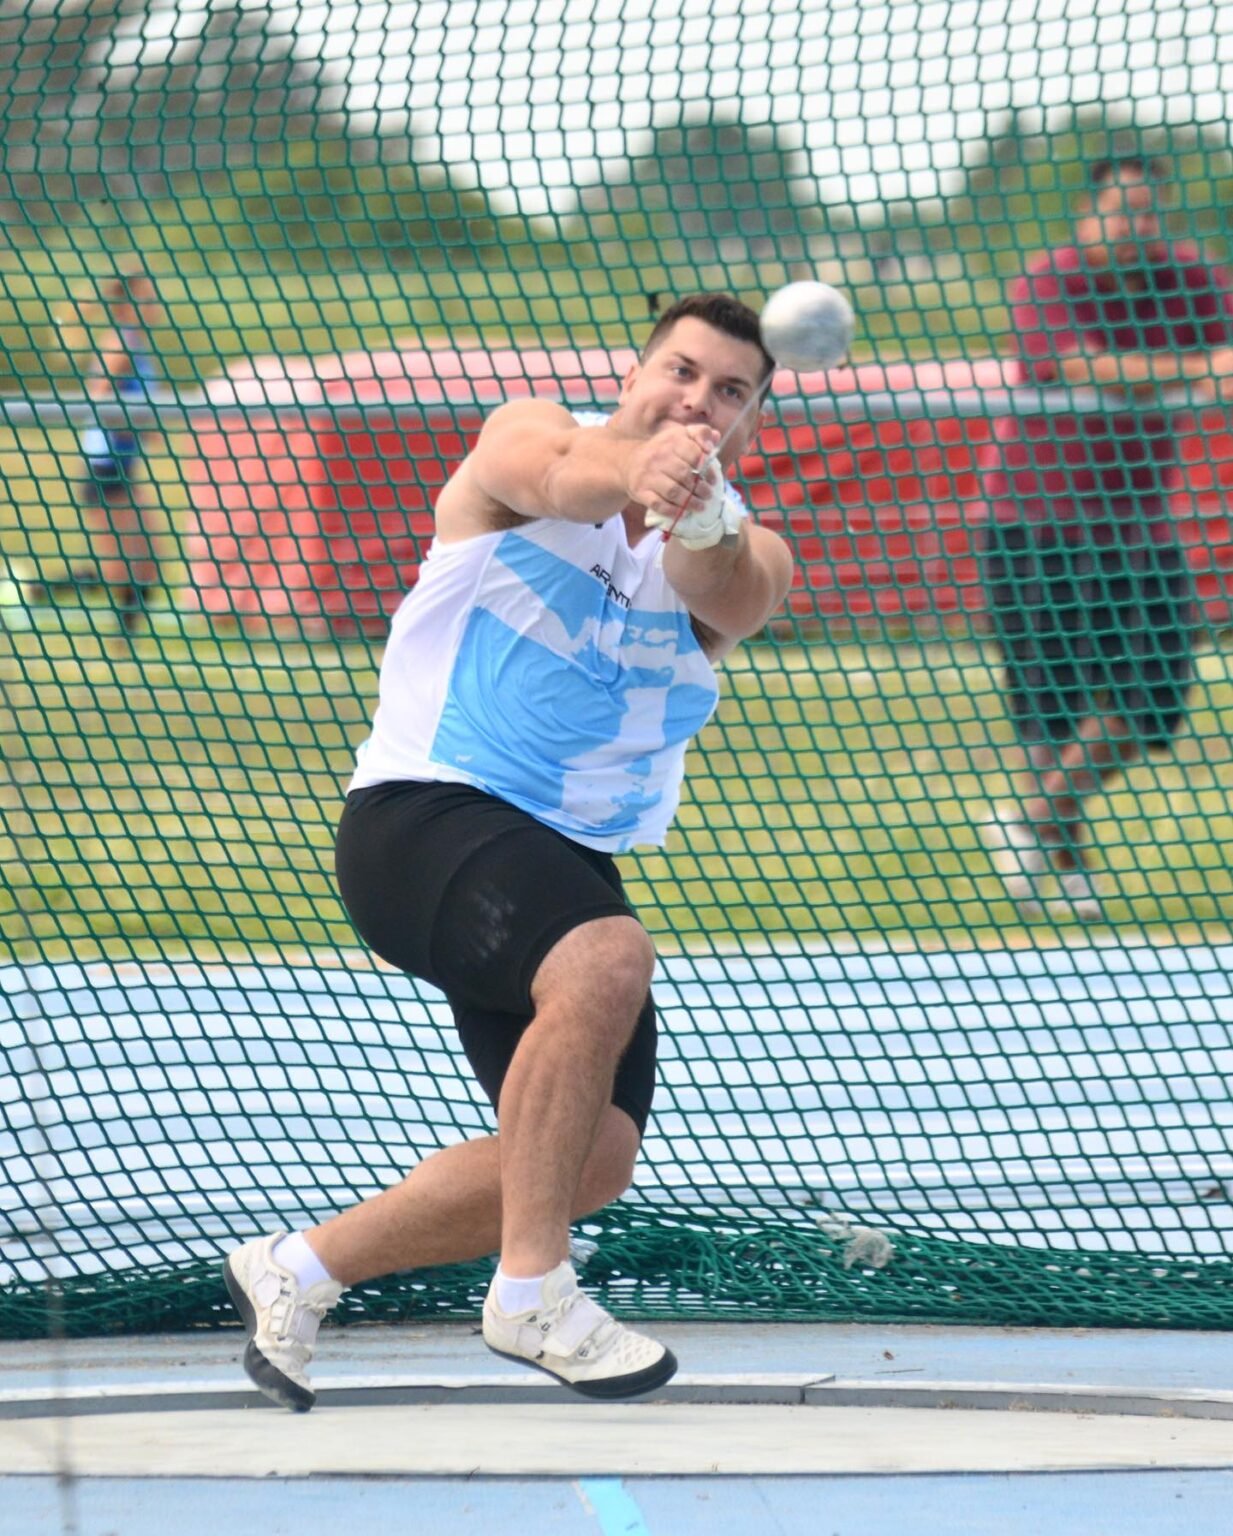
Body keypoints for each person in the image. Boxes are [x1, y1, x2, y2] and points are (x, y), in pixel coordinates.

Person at [222, 293, 795, 1407]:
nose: (699, 400)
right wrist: (638, 471)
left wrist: (703, 515)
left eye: (732, 391)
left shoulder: (741, 539)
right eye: (681, 371)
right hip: (421, 816)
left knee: (590, 1160)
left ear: (756, 419)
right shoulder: (531, 434)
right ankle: (532, 1292)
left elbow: (734, 588)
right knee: (607, 958)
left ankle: (299, 1268)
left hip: (558, 859)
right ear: (637, 372)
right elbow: (556, 471)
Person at [979, 157, 1233, 921]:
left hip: (1136, 524)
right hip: (1032, 520)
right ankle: (1067, 865)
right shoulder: (1046, 280)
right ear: (1087, 216)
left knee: (1153, 694)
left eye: (1148, 211)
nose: (1135, 225)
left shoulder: (1190, 279)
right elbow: (1077, 363)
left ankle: (1029, 822)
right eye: (1120, 211)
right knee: (1047, 705)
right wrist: (1196, 367)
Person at [35, 271, 165, 631]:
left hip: (123, 467)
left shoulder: (135, 344)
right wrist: (132, 424)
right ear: (126, 305)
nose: (155, 306)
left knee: (147, 560)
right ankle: (38, 593)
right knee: (126, 567)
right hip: (105, 468)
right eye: (147, 298)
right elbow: (101, 394)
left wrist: (145, 426)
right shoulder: (120, 344)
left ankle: (126, 642)